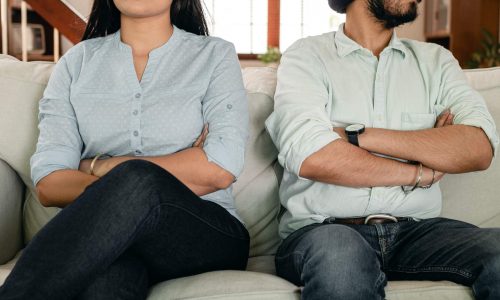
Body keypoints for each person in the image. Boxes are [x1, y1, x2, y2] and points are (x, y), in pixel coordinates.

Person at [0, 0, 250, 299]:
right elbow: (50, 184)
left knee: (138, 178)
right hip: (111, 241)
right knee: (104, 284)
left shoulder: (215, 55)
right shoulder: (76, 62)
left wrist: (101, 165)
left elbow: (219, 169)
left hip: (205, 234)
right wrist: (136, 185)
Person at [265, 0, 500, 299]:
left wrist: (358, 137)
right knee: (341, 263)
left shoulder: (436, 61)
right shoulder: (307, 56)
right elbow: (313, 157)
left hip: (416, 232)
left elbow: (478, 148)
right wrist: (418, 172)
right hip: (325, 231)